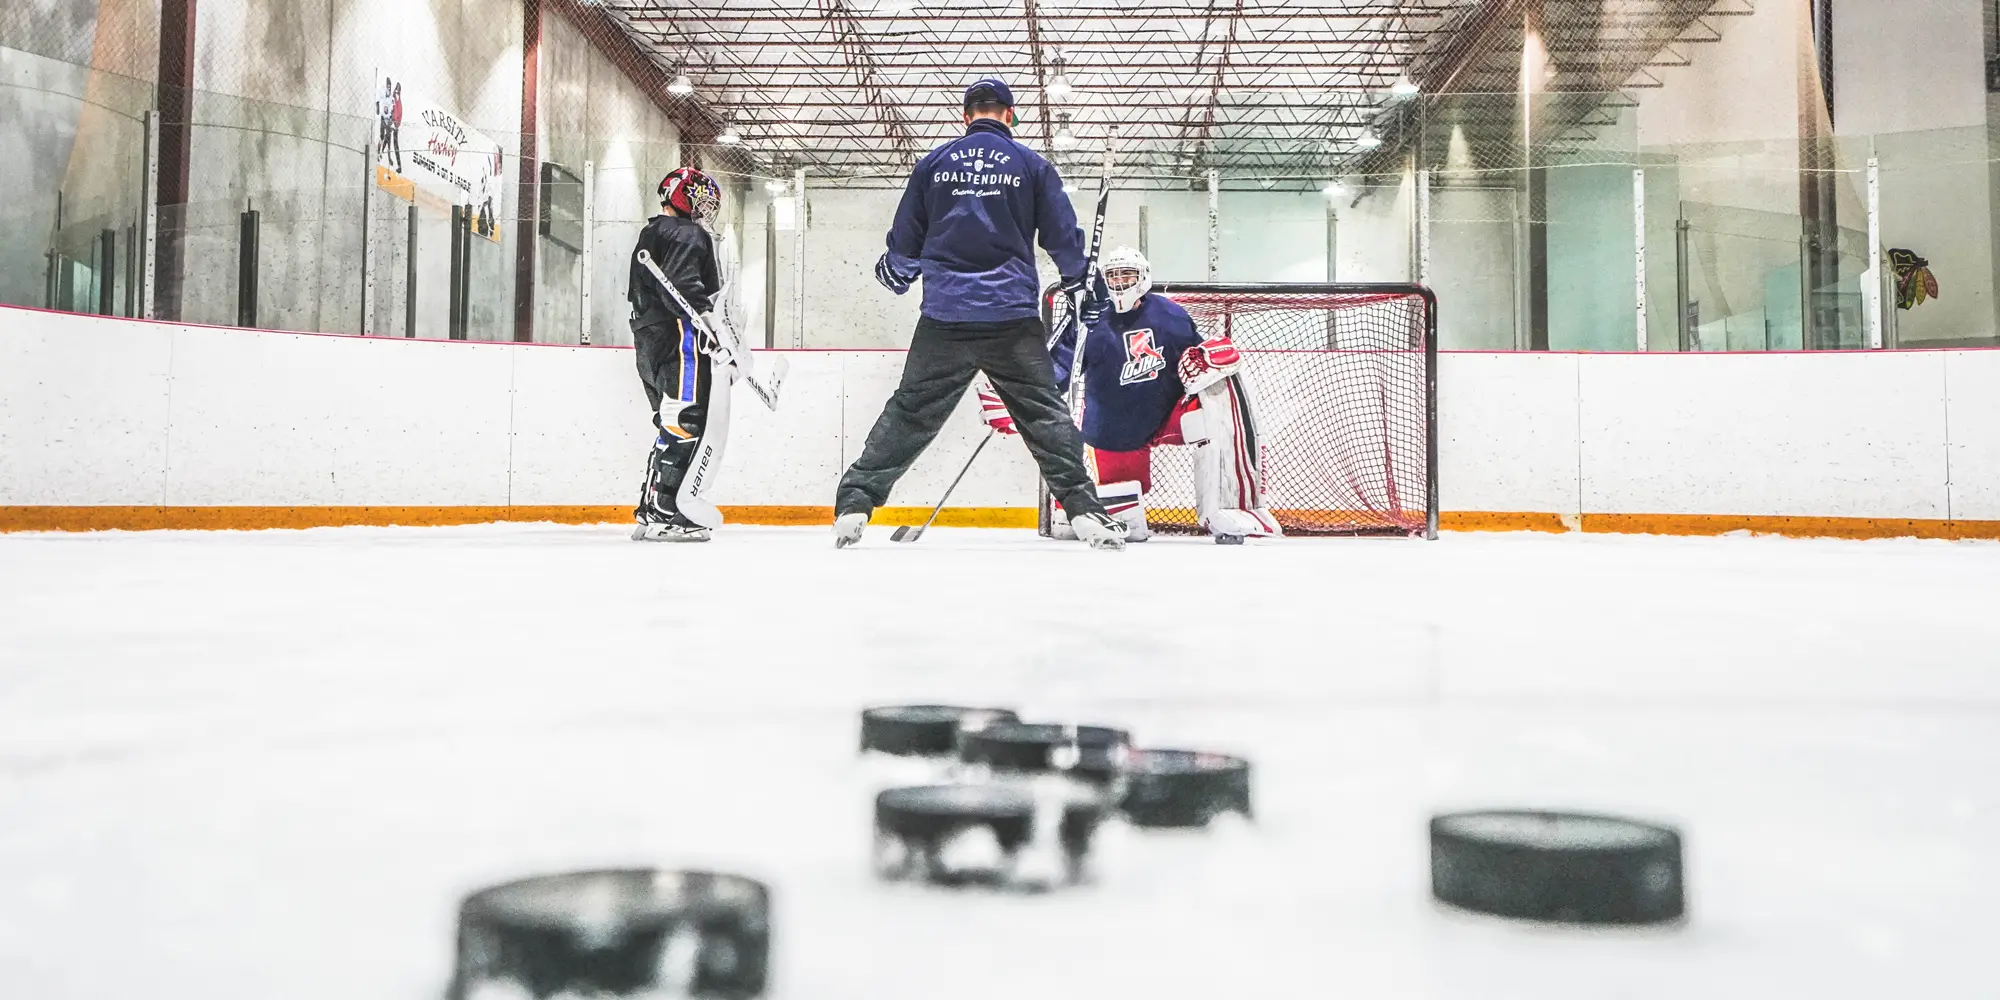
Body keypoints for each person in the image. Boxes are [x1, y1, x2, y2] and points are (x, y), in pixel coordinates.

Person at [835, 77, 1127, 551]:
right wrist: (1084, 286)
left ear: (966, 116)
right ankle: (1086, 511)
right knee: (1045, 415)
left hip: (945, 316)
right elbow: (1062, 238)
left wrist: (897, 270)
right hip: (1009, 317)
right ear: (1010, 115)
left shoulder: (934, 164)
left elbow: (906, 239)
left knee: (910, 414)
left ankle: (854, 504)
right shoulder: (1033, 165)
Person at [1043, 246, 1281, 543]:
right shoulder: (1089, 319)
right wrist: (1029, 400)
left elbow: (1196, 362)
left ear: (1143, 277)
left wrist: (1209, 362)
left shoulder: (1171, 316)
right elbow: (1058, 369)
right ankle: (1089, 512)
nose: (1120, 283)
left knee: (1215, 411)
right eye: (1113, 276)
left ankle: (1229, 508)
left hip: (1168, 413)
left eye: (1127, 275)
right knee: (1127, 518)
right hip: (1115, 427)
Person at [627, 165, 731, 542]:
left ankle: (653, 509)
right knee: (686, 421)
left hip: (648, 339)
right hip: (680, 337)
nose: (704, 210)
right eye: (700, 199)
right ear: (682, 196)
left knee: (670, 421)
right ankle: (669, 512)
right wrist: (712, 324)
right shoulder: (689, 233)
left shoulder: (653, 231)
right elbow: (684, 285)